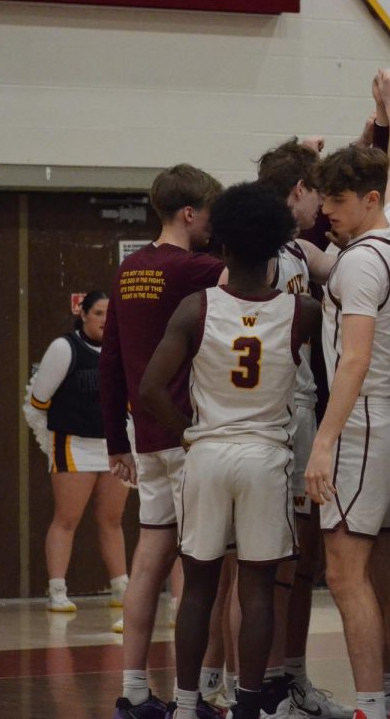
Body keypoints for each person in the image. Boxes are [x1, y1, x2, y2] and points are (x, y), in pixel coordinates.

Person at [139, 182, 321, 719]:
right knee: (258, 589)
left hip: (209, 454)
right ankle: (247, 705)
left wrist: (188, 430)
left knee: (199, 587)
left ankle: (189, 705)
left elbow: (149, 389)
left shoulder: (197, 309)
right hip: (267, 456)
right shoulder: (302, 311)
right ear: (276, 251)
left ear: (220, 250)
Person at [303, 69, 390, 719]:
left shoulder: (359, 260)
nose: (326, 213)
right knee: (378, 576)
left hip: (363, 422)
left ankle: (371, 704)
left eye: (337, 202)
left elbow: (351, 360)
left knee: (348, 577)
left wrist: (323, 444)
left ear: (366, 200)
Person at [100, 164, 226, 719]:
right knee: (202, 571)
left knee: (149, 560)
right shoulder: (198, 268)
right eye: (211, 215)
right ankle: (197, 696)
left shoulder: (128, 269)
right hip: (187, 435)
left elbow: (109, 361)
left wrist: (115, 441)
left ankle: (132, 691)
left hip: (143, 437)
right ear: (190, 214)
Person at [255, 138, 354, 719]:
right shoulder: (259, 254)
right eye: (318, 192)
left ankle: (288, 676)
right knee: (276, 560)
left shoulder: (292, 247)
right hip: (276, 416)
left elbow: (349, 263)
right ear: (298, 191)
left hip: (297, 411)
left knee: (301, 556)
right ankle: (264, 684)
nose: (323, 206)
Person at [24, 290, 129, 614]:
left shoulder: (122, 349)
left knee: (112, 520)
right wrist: (53, 437)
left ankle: (120, 588)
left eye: (110, 314)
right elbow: (38, 401)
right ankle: (57, 590)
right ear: (82, 314)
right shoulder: (64, 347)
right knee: (67, 518)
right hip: (73, 444)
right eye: (98, 313)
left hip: (113, 446)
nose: (104, 320)